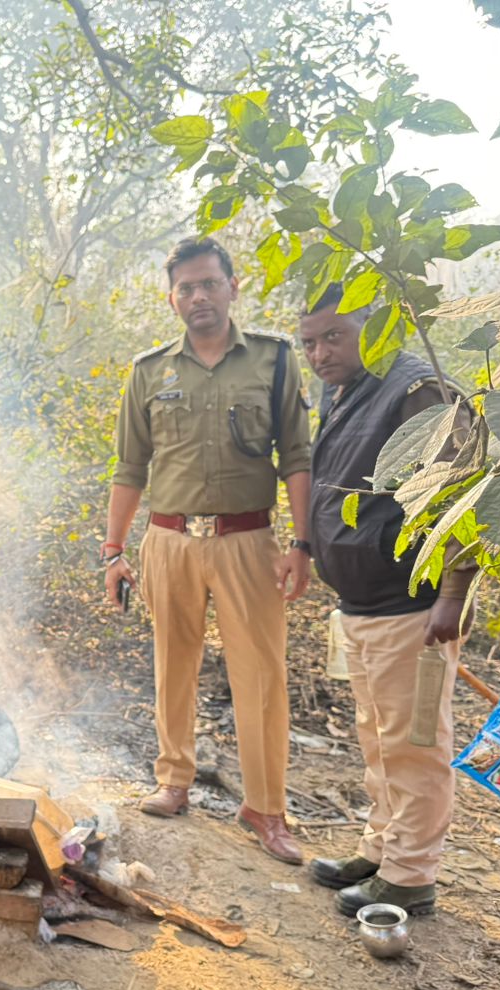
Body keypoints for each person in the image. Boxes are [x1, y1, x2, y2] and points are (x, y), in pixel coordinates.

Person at [103, 236, 312, 865]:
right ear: (173, 298)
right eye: (186, 287)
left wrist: (301, 544)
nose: (199, 296)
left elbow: (298, 456)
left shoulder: (273, 361)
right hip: (167, 541)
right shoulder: (148, 372)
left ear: (232, 286)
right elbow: (129, 468)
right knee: (174, 661)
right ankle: (175, 779)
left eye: (209, 283)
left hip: (247, 540)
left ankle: (266, 808)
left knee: (262, 673)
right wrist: (114, 550)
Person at [299, 284, 473, 916]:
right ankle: (382, 846)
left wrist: (453, 593)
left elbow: (462, 494)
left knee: (415, 741)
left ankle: (410, 873)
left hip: (412, 605)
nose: (320, 353)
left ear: (371, 325)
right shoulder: (346, 389)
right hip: (362, 602)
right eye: (310, 342)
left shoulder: (416, 388)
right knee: (378, 736)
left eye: (334, 337)